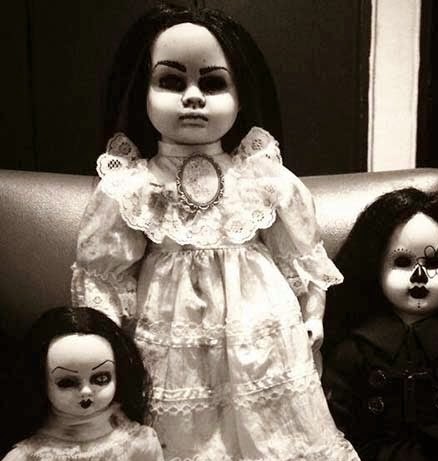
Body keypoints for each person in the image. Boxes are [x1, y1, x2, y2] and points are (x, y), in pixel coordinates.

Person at [71, 2, 358, 460]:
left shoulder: (262, 176)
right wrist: (103, 339)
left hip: (259, 333)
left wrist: (313, 313)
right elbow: (105, 273)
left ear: (241, 95)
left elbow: (298, 254)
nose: (192, 97)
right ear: (141, 91)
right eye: (171, 81)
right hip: (172, 336)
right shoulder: (133, 185)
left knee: (272, 432)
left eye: (213, 83)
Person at [322, 187, 438, 461]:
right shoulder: (359, 348)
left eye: (434, 262)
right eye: (402, 262)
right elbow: (336, 412)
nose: (419, 276)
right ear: (376, 266)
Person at [1, 306, 163, 461]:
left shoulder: (139, 443)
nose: (86, 391)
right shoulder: (29, 456)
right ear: (42, 382)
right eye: (67, 382)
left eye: (101, 379)